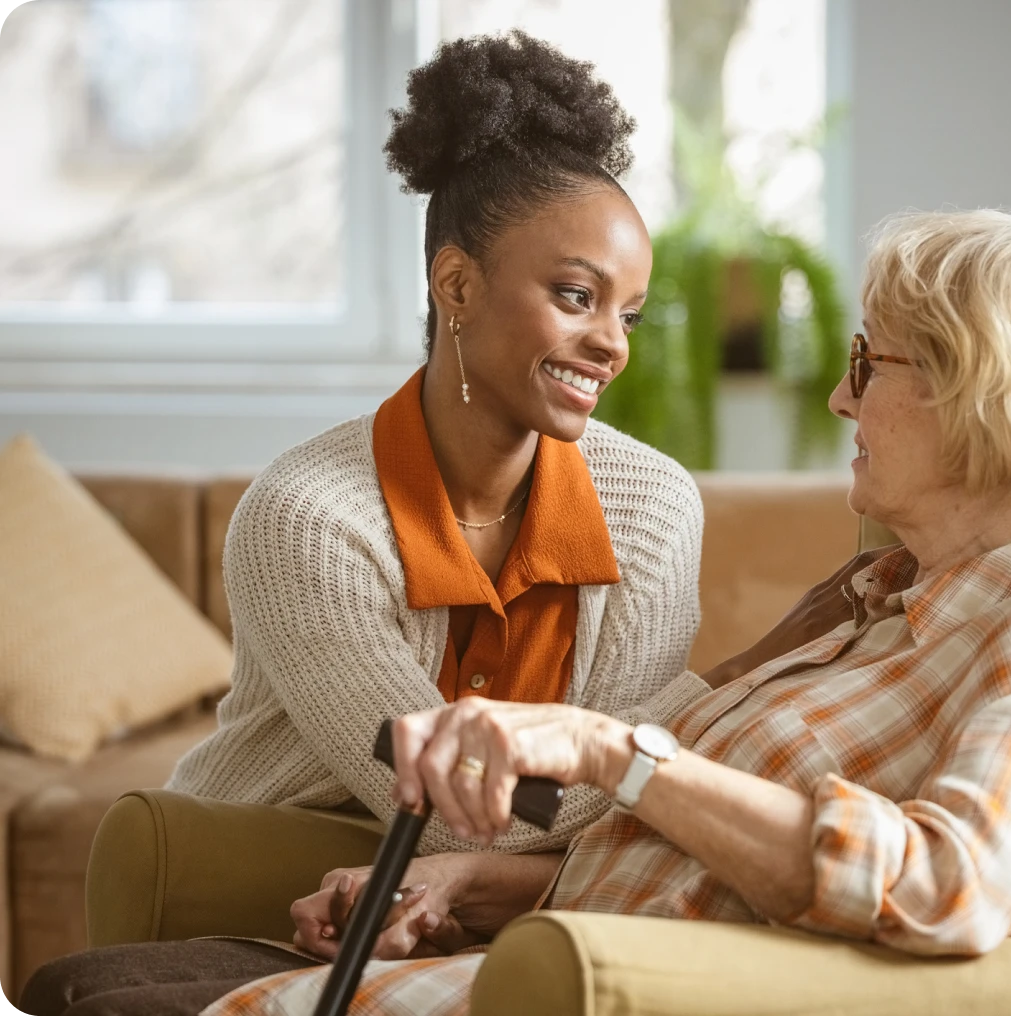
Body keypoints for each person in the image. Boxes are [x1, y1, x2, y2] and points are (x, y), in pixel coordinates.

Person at [193, 204, 1011, 1014]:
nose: (840, 404)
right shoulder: (887, 606)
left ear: (978, 394)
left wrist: (611, 750)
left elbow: (944, 886)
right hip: (539, 964)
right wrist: (474, 886)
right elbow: (713, 885)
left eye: (867, 366)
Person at [19, 30, 721, 1016]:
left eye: (630, 313)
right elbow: (460, 809)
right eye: (576, 296)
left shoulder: (652, 506)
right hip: (275, 876)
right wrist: (689, 728)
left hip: (501, 907)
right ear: (458, 285)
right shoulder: (309, 514)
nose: (611, 343)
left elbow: (612, 790)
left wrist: (653, 753)